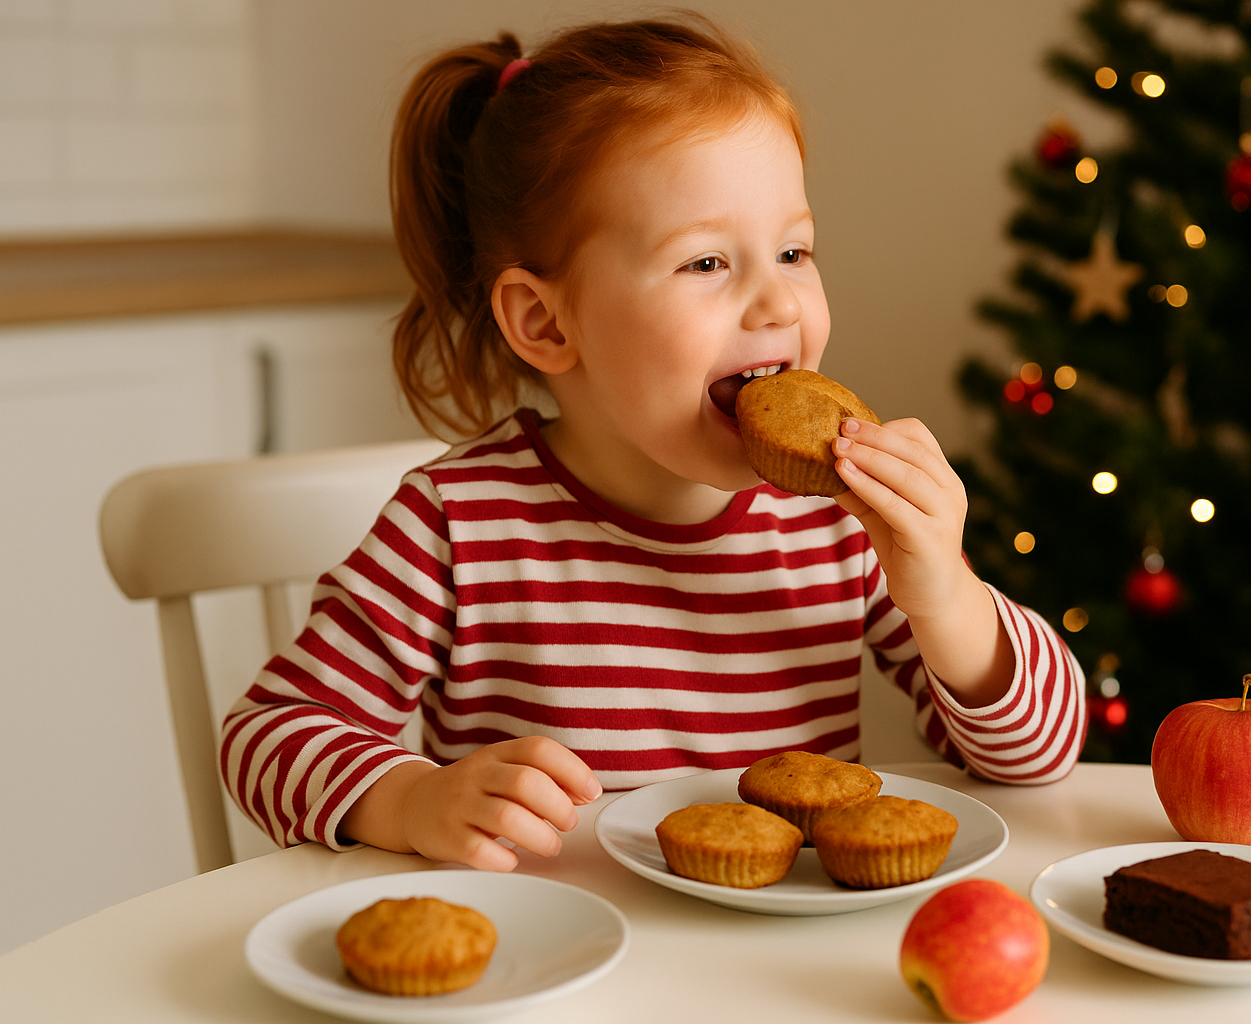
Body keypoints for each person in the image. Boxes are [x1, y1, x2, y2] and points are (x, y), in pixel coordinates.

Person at [221, 15, 1084, 873]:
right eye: (706, 263)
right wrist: (412, 800)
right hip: (563, 948)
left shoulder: (837, 521)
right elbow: (267, 733)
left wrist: (948, 599)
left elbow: (1041, 755)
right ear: (545, 322)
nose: (779, 303)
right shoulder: (458, 526)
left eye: (793, 251)